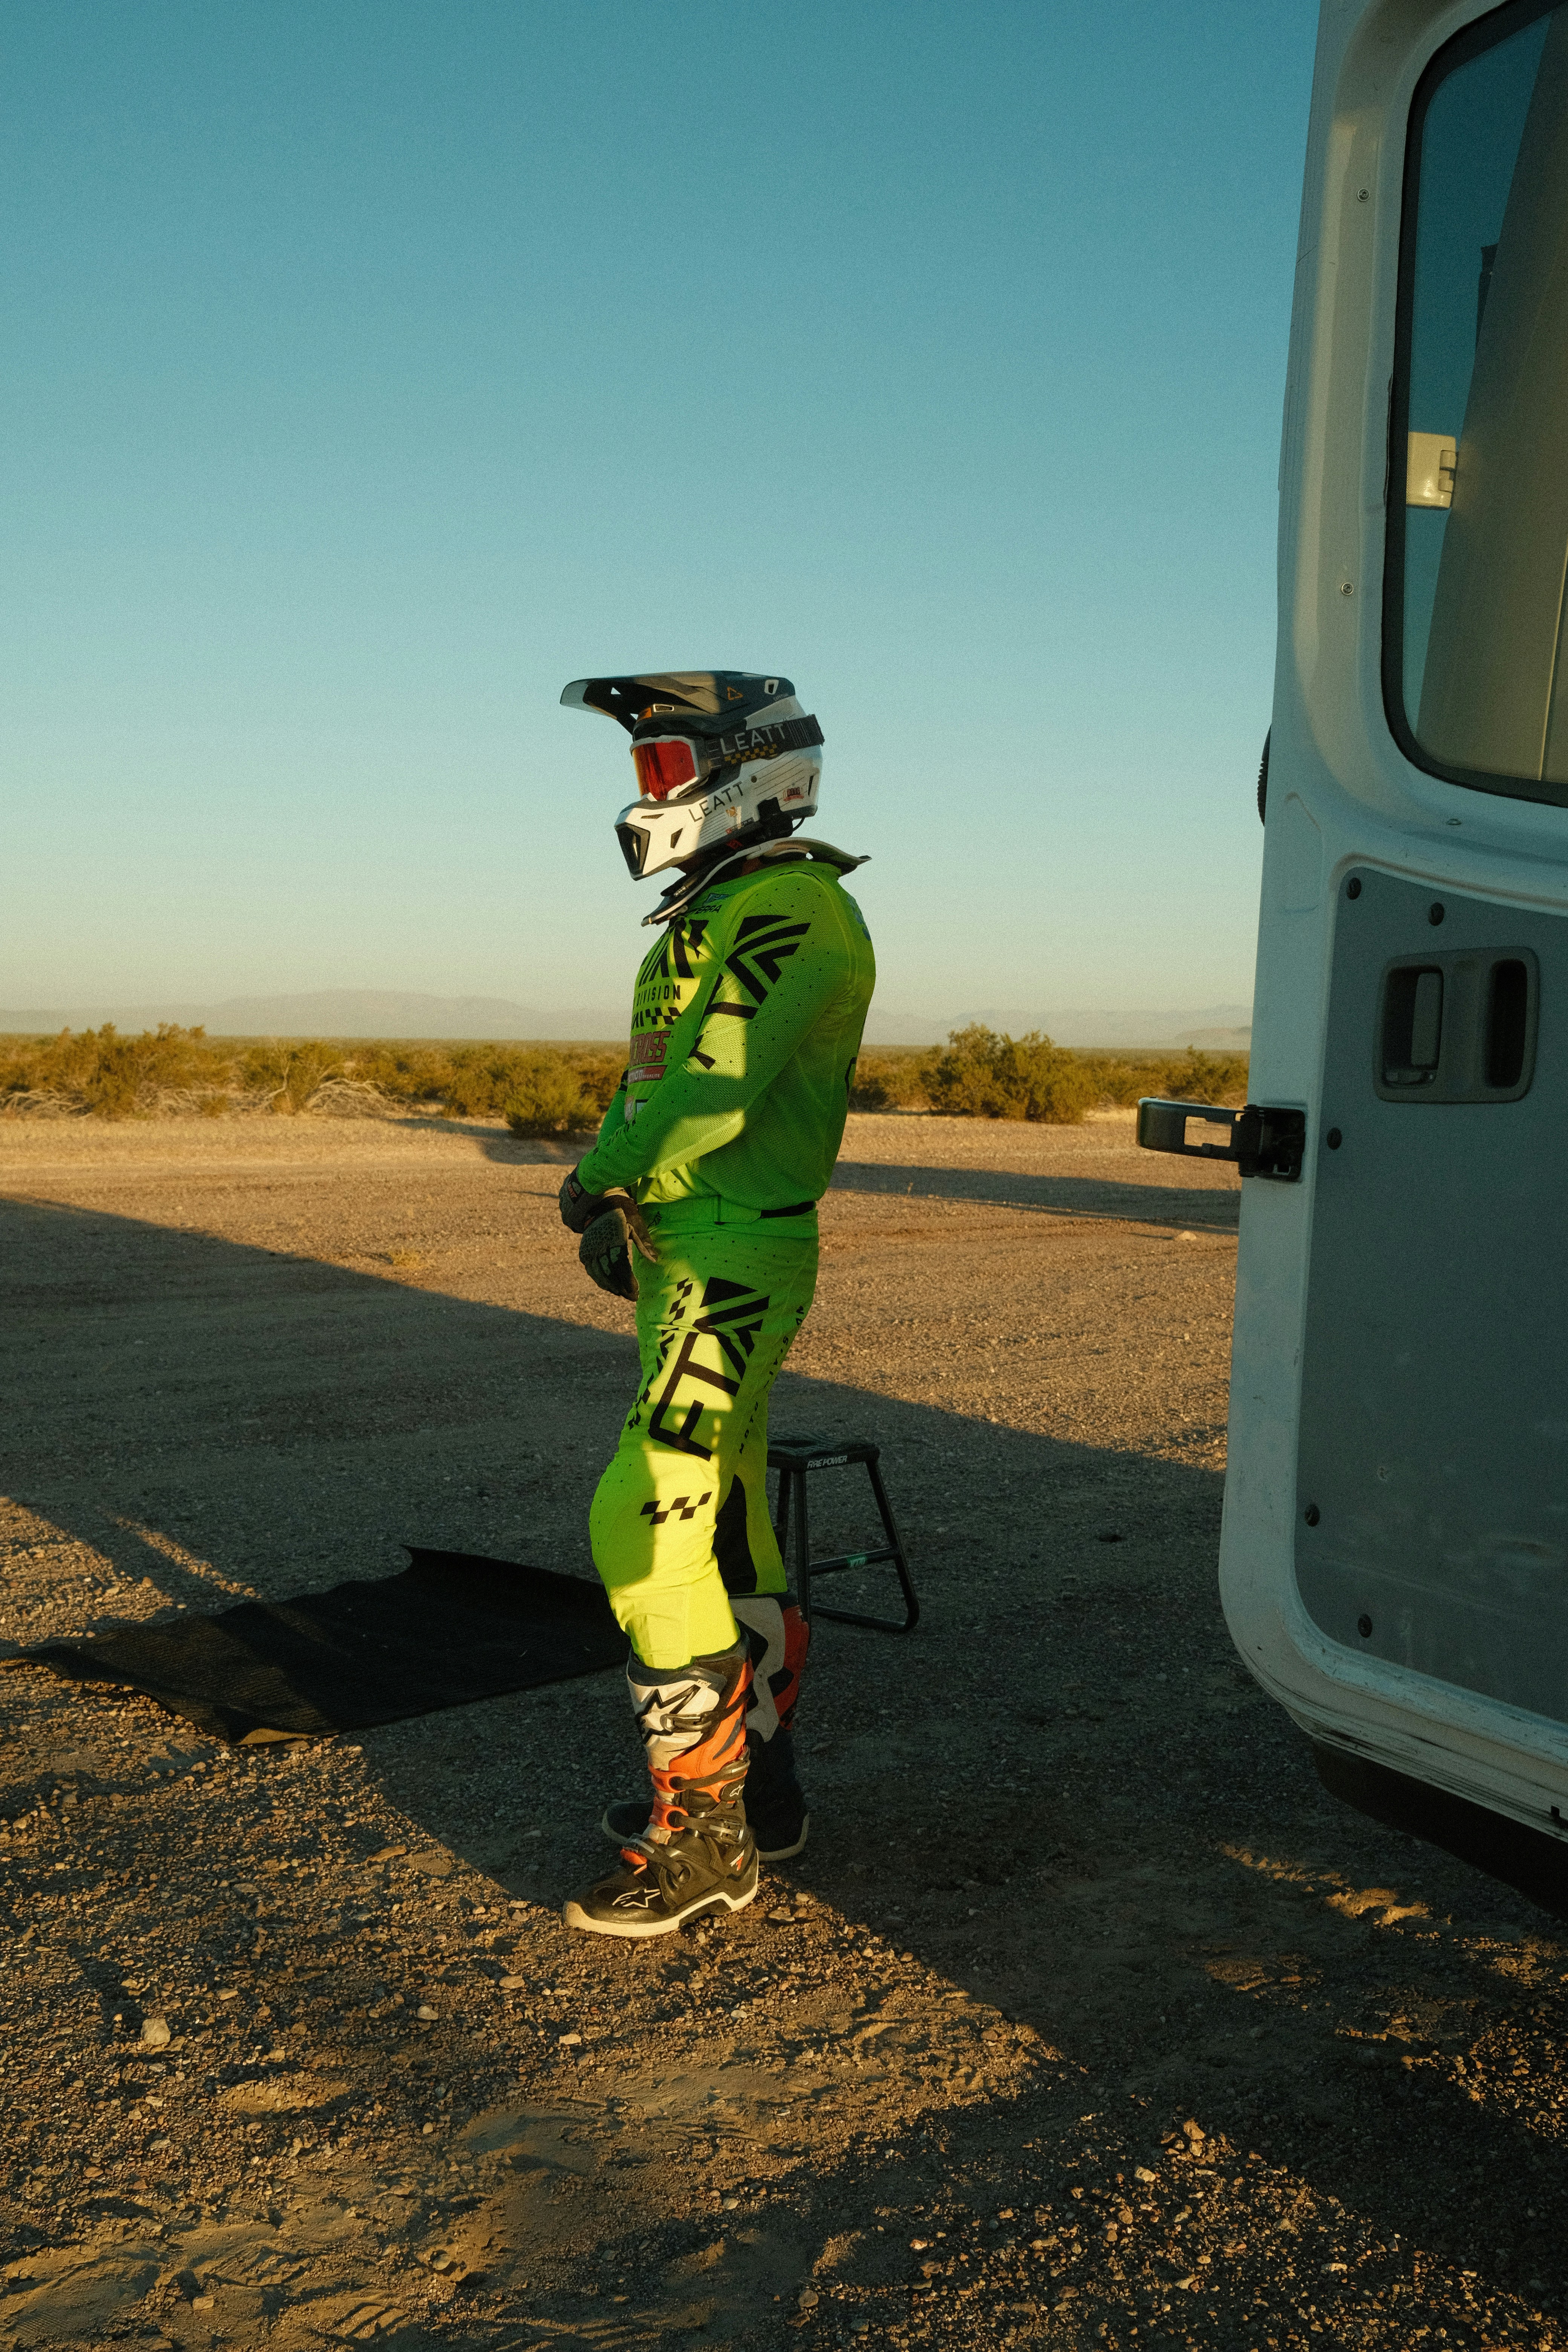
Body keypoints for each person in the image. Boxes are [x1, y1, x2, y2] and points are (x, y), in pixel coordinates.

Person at [554, 670, 876, 1939]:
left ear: (753, 771)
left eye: (669, 770)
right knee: (729, 1520)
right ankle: (764, 1803)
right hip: (695, 1242)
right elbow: (665, 1081)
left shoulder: (791, 909)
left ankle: (707, 1853)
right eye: (648, 776)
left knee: (643, 1524)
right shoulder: (728, 907)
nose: (655, 799)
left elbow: (713, 1091)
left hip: (733, 1253)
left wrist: (596, 1182)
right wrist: (634, 1211)